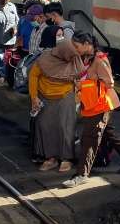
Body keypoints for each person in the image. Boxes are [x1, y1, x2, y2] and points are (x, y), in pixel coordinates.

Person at [63, 43, 120, 187]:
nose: (75, 48)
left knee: (89, 138)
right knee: (108, 134)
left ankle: (82, 174)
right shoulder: (85, 58)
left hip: (100, 104)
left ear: (87, 44)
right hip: (93, 104)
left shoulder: (99, 59)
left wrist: (83, 85)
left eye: (77, 45)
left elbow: (109, 83)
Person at [29, 33, 91, 172]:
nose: (71, 59)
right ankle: (50, 158)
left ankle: (66, 158)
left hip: (65, 97)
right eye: (69, 56)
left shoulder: (73, 59)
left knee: (66, 128)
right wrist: (34, 97)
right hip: (44, 97)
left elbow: (80, 76)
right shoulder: (45, 58)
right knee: (45, 127)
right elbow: (33, 76)